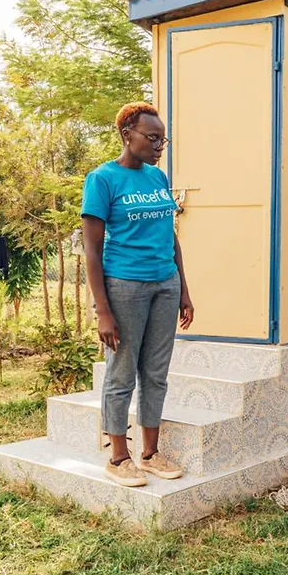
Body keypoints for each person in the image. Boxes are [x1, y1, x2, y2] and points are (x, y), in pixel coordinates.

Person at [82, 102, 195, 487]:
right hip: (124, 286)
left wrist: (183, 290)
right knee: (122, 372)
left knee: (156, 373)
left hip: (165, 283)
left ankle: (149, 454)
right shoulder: (102, 179)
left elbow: (171, 237)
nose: (159, 145)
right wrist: (102, 310)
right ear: (126, 135)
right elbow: (92, 251)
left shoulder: (157, 179)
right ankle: (118, 457)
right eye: (152, 137)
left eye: (163, 138)